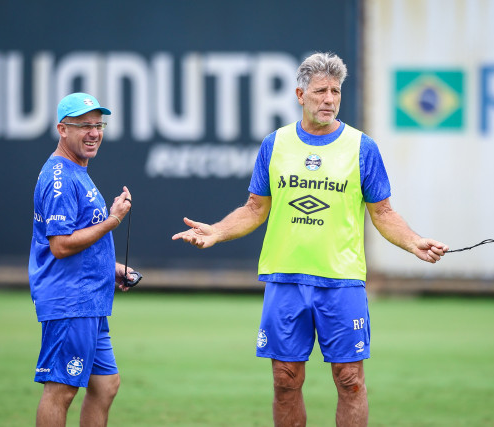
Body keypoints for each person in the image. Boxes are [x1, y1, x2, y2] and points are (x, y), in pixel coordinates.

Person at [172, 52, 448, 426]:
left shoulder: (361, 147)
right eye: (320, 91)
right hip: (285, 279)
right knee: (285, 380)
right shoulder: (276, 143)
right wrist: (217, 232)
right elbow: (255, 208)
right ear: (300, 95)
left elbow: (382, 212)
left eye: (335, 91)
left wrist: (413, 242)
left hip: (342, 281)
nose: (329, 99)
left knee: (350, 380)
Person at [29, 92, 139, 427]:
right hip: (70, 301)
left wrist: (111, 268)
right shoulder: (59, 178)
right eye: (83, 126)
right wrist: (113, 220)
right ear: (62, 129)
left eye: (97, 124)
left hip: (89, 299)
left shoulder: (76, 170)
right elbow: (60, 246)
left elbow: (79, 238)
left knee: (105, 385)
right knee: (61, 390)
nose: (93, 133)